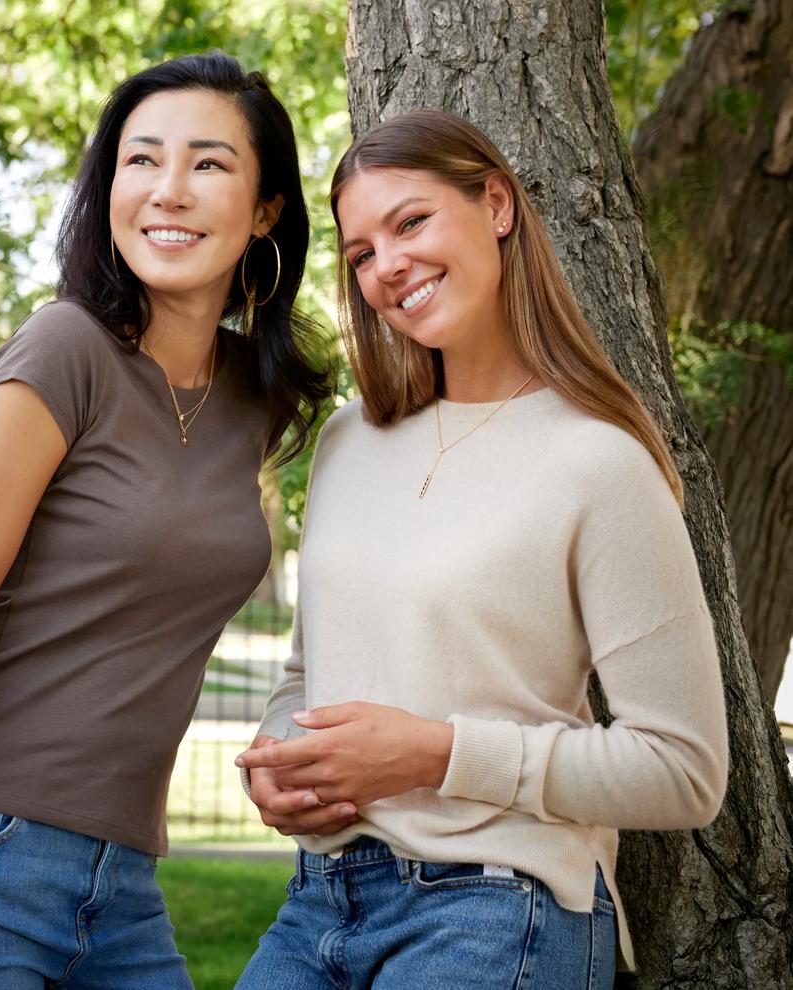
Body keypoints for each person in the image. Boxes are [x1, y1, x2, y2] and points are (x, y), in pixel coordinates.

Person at [0, 51, 329, 990]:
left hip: (124, 878)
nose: (169, 190)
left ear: (266, 209)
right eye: (141, 160)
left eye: (209, 163)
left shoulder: (254, 395)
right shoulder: (64, 348)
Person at [233, 109, 728, 988]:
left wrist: (439, 754)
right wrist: (280, 765)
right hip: (320, 901)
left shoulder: (600, 461)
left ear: (496, 204)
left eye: (411, 222)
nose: (388, 266)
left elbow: (683, 770)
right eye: (361, 253)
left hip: (502, 904)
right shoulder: (349, 442)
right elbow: (307, 678)